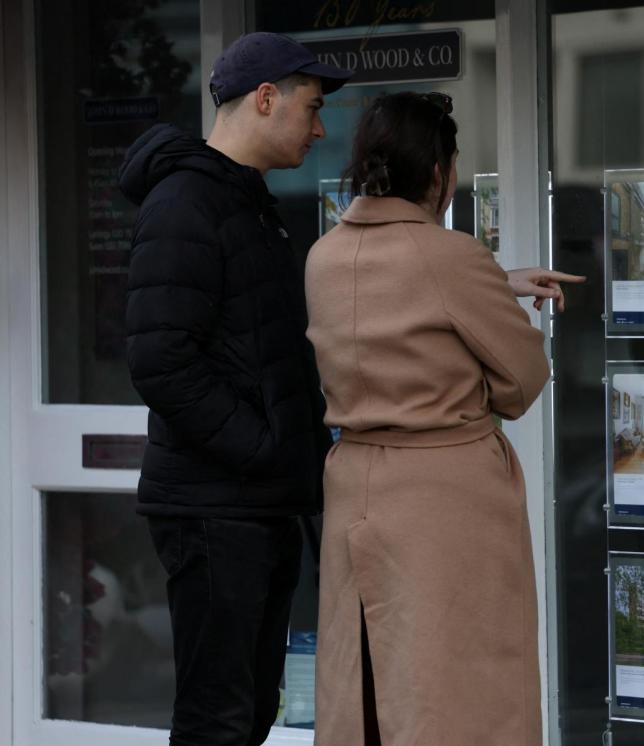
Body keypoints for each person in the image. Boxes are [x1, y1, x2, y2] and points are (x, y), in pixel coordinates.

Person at [305, 91, 581, 745]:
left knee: (369, 691)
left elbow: (400, 293)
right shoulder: (450, 257)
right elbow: (522, 382)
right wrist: (486, 284)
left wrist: (490, 279)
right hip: (444, 500)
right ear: (439, 171)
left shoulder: (324, 257)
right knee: (460, 698)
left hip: (355, 486)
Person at [118, 32, 353, 745]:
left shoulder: (248, 206)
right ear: (264, 98)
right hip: (216, 511)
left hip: (255, 506)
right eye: (311, 109)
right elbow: (161, 362)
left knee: (247, 711)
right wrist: (264, 449)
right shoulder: (185, 204)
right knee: (217, 718)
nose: (319, 129)